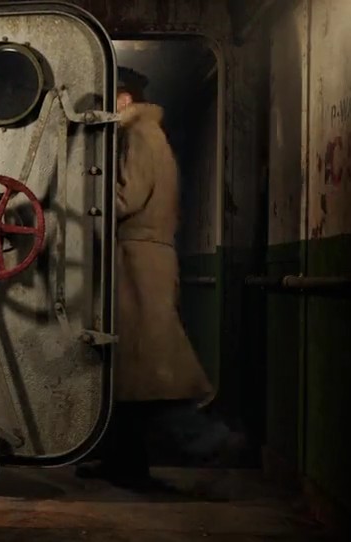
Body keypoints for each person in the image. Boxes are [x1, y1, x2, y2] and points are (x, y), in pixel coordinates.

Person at [76, 67, 244, 490]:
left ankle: (209, 440)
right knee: (130, 370)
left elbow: (127, 197)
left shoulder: (138, 135)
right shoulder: (149, 133)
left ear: (124, 100)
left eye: (107, 101)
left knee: (152, 367)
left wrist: (80, 200)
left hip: (139, 260)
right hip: (141, 258)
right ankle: (124, 462)